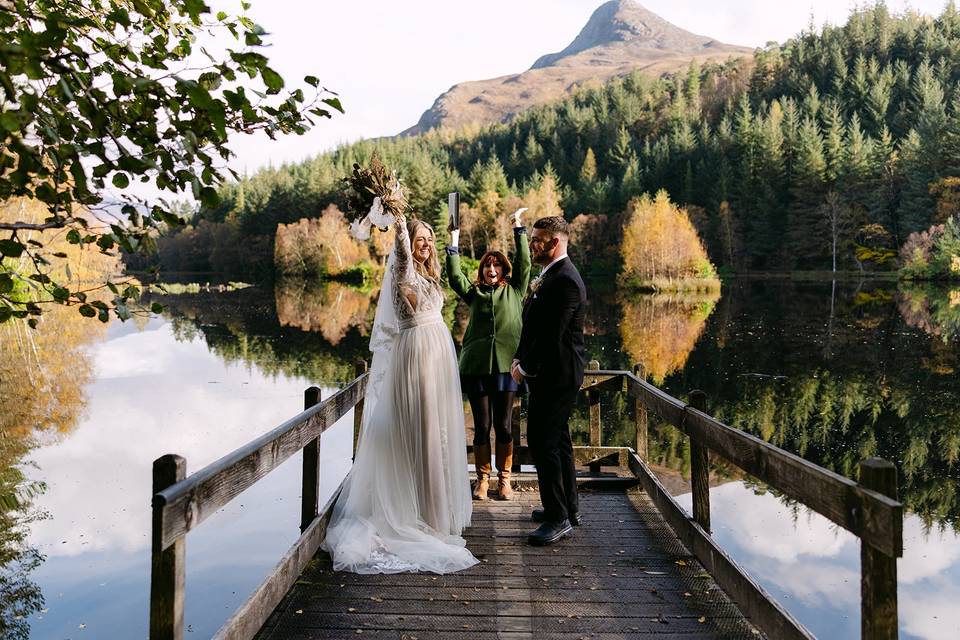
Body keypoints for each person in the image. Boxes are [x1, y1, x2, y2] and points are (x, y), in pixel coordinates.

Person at [322, 212, 478, 574]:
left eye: (428, 239)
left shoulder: (429, 275)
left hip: (437, 355)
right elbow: (405, 255)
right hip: (418, 356)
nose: (425, 245)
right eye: (419, 239)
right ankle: (423, 517)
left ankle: (434, 514)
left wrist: (440, 235)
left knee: (437, 433)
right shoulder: (403, 272)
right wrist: (401, 219)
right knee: (422, 433)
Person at [510, 216, 587, 546]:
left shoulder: (566, 281)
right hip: (552, 373)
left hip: (558, 374)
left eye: (538, 239)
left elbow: (551, 336)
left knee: (543, 442)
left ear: (555, 243)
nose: (533, 243)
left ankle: (558, 518)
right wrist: (518, 356)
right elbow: (532, 324)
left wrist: (525, 368)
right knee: (559, 442)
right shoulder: (550, 276)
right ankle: (568, 508)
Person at [445, 208, 531, 501]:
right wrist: (453, 242)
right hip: (477, 368)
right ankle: (482, 479)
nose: (491, 270)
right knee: (481, 425)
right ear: (481, 271)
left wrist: (518, 228)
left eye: (496, 266)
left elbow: (525, 261)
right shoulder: (475, 294)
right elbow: (455, 277)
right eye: (486, 267)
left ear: (504, 270)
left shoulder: (516, 290)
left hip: (508, 368)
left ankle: (504, 480)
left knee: (504, 425)